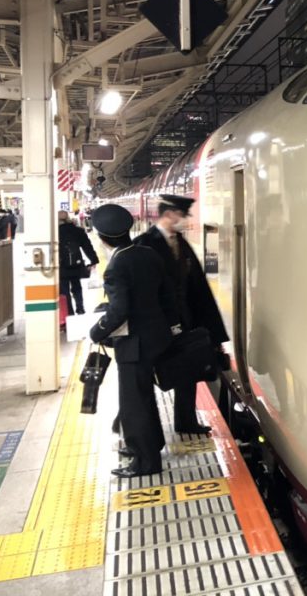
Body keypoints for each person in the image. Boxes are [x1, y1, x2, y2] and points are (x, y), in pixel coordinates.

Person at [90, 204, 179, 478]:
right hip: (157, 335)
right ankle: (151, 443)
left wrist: (97, 331)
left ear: (103, 238)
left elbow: (120, 310)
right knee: (144, 395)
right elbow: (166, 294)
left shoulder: (116, 266)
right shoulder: (147, 254)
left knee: (134, 402)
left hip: (134, 343)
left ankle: (145, 461)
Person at [134, 194, 228, 436]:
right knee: (148, 376)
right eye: (183, 215)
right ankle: (127, 422)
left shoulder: (181, 244)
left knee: (188, 370)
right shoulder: (145, 243)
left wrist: (212, 332)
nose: (186, 221)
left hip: (185, 320)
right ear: (169, 214)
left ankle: (186, 421)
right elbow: (142, 290)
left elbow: (198, 288)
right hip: (158, 324)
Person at [58, 210, 100, 315]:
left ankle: (69, 312)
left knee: (64, 290)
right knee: (77, 287)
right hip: (76, 264)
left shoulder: (54, 232)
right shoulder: (78, 231)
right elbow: (87, 246)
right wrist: (94, 259)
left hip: (61, 266)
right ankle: (80, 308)